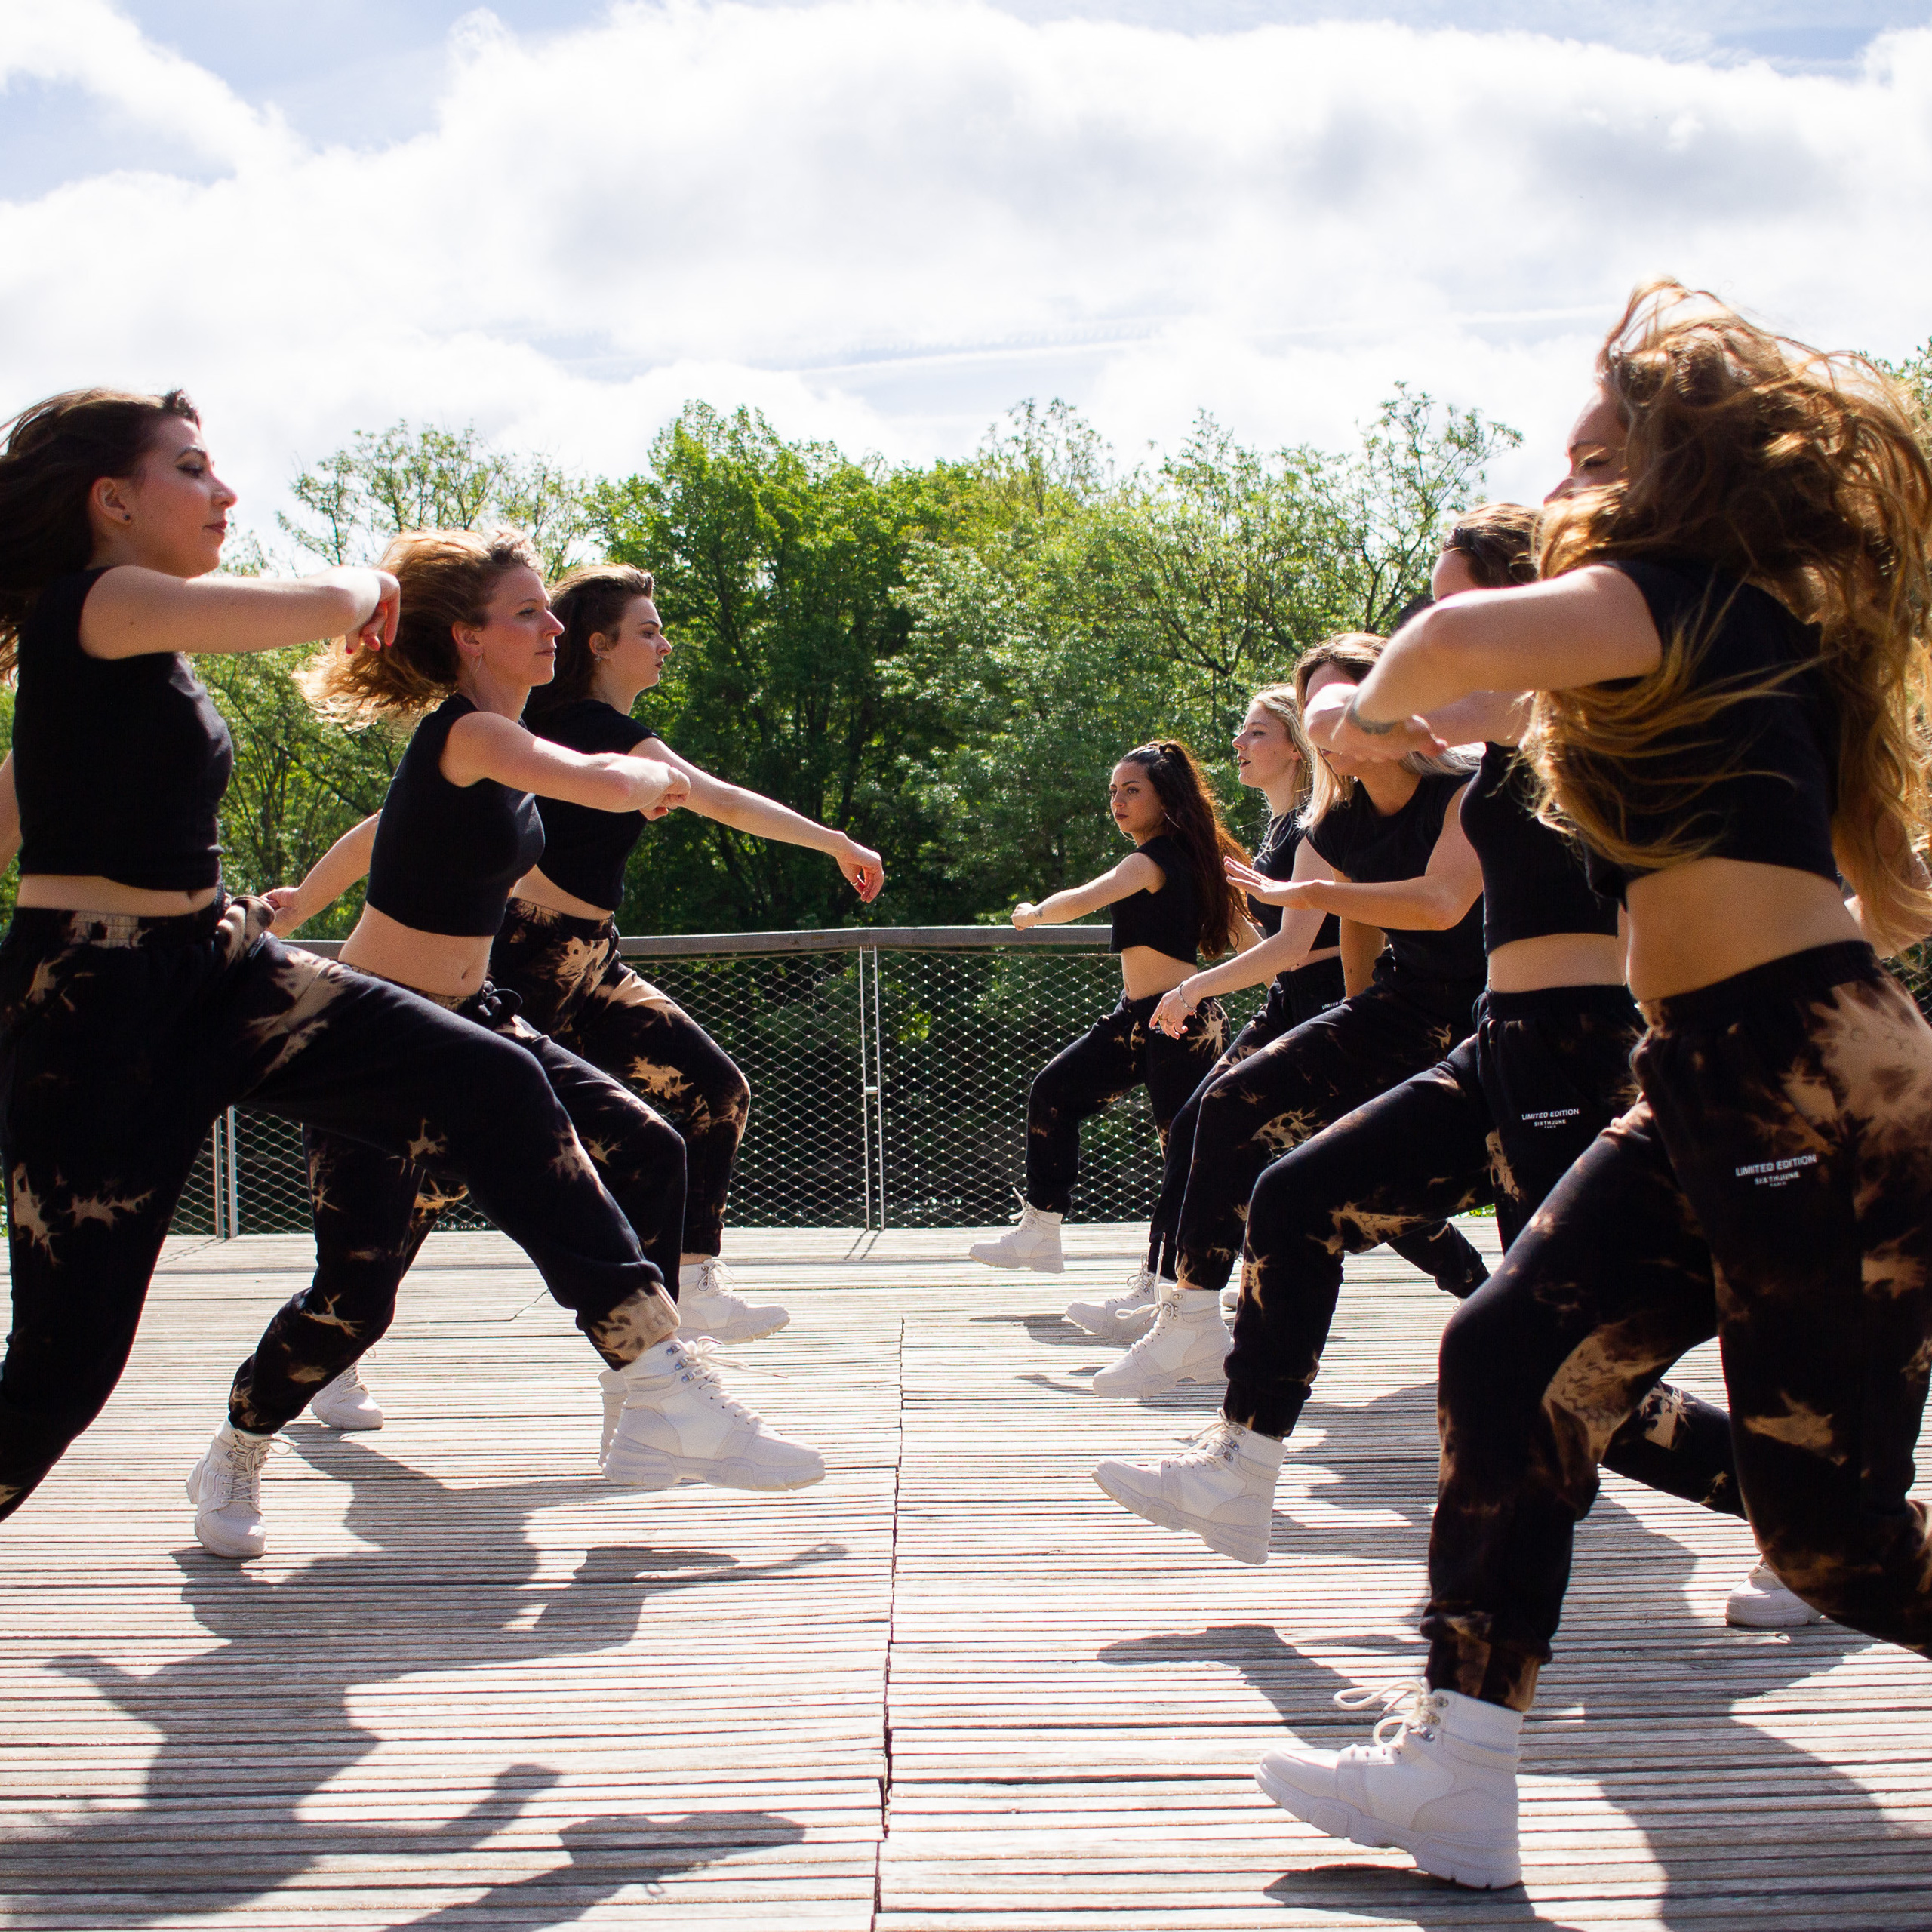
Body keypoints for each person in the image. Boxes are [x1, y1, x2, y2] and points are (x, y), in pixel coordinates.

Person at [1252, 283, 1932, 1892]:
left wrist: (1360, 706)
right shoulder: (1701, 633)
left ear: (1659, 469)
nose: (1555, 489)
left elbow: (1448, 650)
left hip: (1804, 1082)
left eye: (1582, 457)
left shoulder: (1667, 594)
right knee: (1505, 1353)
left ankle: (1458, 1760)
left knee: (1828, 1545)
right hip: (1712, 1072)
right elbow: (1881, 887)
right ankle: (1457, 1773)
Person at [0, 389, 667, 1539]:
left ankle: (650, 1374)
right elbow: (310, 604)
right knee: (64, 1368)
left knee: (496, 1081)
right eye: (193, 470)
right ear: (113, 501)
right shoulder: (97, 604)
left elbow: (25, 810)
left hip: (213, 965)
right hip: (94, 1009)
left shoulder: (122, 662)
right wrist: (374, 589)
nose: (225, 493)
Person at [1093, 503, 1744, 1596]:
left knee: (1566, 1371)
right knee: (1295, 1198)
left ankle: (1822, 1508)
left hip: (1578, 1055)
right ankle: (1239, 1469)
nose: (1433, 625)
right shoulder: (1485, 738)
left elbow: (1442, 846)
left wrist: (1363, 701)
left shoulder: (1581, 708)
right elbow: (1423, 781)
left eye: (1451, 604)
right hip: (1494, 1044)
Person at [216, 526, 824, 1555]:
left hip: (479, 1023)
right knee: (354, 1298)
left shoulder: (496, 744)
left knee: (652, 1146)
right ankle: (235, 1451)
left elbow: (386, 829)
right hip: (376, 1038)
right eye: (530, 614)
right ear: (469, 637)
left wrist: (298, 900)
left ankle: (648, 1415)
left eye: (551, 610)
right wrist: (637, 782)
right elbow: (565, 773)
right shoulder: (474, 734)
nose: (554, 627)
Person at [1081, 638, 1491, 1401]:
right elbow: (1341, 931)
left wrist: (1313, 899)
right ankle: (1192, 1318)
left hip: (1487, 1016)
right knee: (1230, 1109)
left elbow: (1440, 901)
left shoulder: (1466, 786)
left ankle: (1500, 1310)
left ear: (1390, 696)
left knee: (1391, 1194)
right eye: (1313, 712)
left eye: (1340, 704)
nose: (1328, 724)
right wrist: (1362, 1024)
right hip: (1402, 1005)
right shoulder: (1335, 816)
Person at [492, 561, 885, 1344]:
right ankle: (340, 1328)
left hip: (591, 962)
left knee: (715, 1088)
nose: (665, 644)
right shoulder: (585, 729)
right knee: (439, 1169)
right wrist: (834, 842)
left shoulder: (593, 729)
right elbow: (724, 800)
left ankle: (695, 1281)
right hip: (524, 964)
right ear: (601, 645)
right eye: (648, 630)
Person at [1063, 685, 1352, 1343]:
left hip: (1330, 1012)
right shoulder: (1279, 830)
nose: (1237, 744)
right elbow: (1267, 940)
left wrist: (1192, 989)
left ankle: (1182, 1301)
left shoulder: (1317, 825)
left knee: (1365, 1183)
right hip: (1292, 1004)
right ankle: (1171, 1296)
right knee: (1203, 1129)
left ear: (1298, 747)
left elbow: (1302, 944)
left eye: (1255, 733)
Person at [967, 740, 1250, 1276]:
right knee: (1054, 1092)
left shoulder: (1152, 862)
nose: (1118, 800)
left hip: (1183, 1026)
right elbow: (1253, 944)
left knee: (1184, 1158)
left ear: (1165, 798)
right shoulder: (1198, 861)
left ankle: (1168, 1281)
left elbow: (1083, 899)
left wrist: (1033, 914)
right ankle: (1042, 1231)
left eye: (1132, 790)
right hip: (1136, 1020)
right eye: (1113, 791)